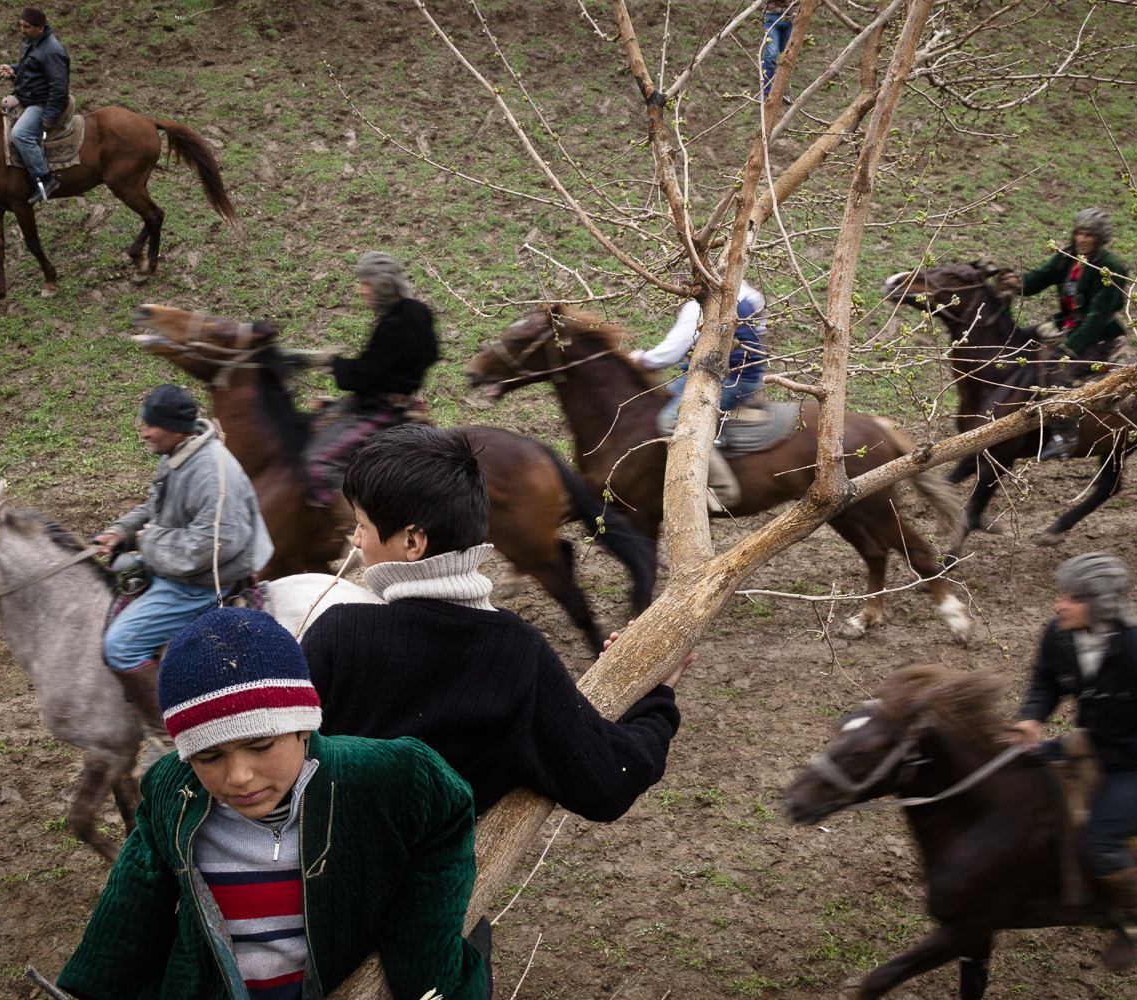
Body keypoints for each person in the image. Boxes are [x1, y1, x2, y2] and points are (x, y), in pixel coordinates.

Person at [55, 607, 489, 1000]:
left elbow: (446, 822)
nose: (239, 776)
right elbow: (136, 894)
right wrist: (95, 987)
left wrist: (424, 965)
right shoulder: (173, 791)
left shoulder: (389, 775)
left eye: (261, 745)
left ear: (303, 726)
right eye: (208, 756)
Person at [301, 423, 685, 821]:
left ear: (413, 542)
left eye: (362, 525)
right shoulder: (516, 652)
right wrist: (656, 700)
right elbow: (609, 783)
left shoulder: (338, 633)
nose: (357, 542)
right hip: (438, 882)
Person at [1010, 552, 1137, 970]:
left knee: (1100, 843)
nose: (1059, 604)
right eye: (1063, 594)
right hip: (1093, 744)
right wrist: (1031, 717)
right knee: (1010, 775)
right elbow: (1046, 679)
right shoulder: (1061, 633)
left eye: (1072, 598)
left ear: (1100, 606)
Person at [91, 384, 274, 743]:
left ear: (174, 427)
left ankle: (172, 734)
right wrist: (122, 532)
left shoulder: (210, 473)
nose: (142, 432)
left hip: (200, 581)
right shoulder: (177, 453)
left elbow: (212, 544)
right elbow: (155, 509)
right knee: (117, 569)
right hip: (173, 561)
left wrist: (149, 541)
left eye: (149, 425)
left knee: (120, 646)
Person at [304, 251, 440, 505]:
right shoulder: (419, 312)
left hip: (381, 409)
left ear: (382, 286)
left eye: (366, 283)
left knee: (317, 463)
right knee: (314, 421)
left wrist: (336, 364)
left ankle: (351, 529)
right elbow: (432, 354)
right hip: (391, 398)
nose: (361, 290)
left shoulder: (395, 324)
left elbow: (364, 376)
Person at [1002, 208, 1131, 460]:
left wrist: (1067, 351)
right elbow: (1037, 279)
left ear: (1099, 238)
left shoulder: (1111, 269)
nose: (1082, 239)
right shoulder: (1066, 257)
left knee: (1058, 370)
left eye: (1088, 235)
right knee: (1018, 342)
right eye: (1079, 233)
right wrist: (1014, 281)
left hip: (1098, 337)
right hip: (1067, 326)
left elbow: (1097, 318)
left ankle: (1065, 436)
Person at [630, 278, 767, 508]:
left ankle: (723, 490)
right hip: (741, 376)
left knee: (671, 420)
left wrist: (639, 358)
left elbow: (671, 353)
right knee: (663, 398)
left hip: (723, 379)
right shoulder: (749, 294)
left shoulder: (703, 305)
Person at [0, 7, 70, 205]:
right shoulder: (31, 42)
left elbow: (59, 88)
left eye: (27, 27)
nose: (22, 30)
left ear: (41, 28)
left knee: (20, 134)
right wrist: (13, 68)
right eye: (21, 26)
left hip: (42, 103)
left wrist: (49, 117)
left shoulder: (52, 51)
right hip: (29, 97)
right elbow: (31, 67)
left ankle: (46, 179)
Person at [761, 2, 794, 101]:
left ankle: (782, 92)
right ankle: (764, 92)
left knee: (787, 55)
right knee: (771, 54)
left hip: (790, 18)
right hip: (772, 17)